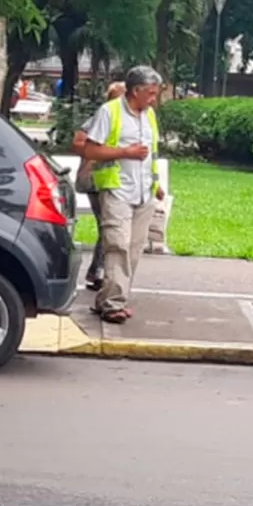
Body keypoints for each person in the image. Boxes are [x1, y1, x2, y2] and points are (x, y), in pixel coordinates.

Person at [74, 65, 165, 324]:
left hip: (144, 193)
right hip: (117, 190)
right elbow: (90, 151)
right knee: (117, 245)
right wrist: (125, 153)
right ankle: (114, 304)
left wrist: (155, 183)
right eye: (150, 93)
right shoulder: (109, 112)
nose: (153, 99)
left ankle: (108, 299)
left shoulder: (149, 116)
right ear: (135, 91)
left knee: (133, 250)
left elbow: (152, 154)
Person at [72, 80, 126, 290]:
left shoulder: (126, 119)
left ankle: (98, 272)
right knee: (110, 225)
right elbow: (78, 143)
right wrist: (105, 150)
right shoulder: (100, 118)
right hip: (96, 181)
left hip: (112, 180)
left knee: (110, 226)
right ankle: (98, 273)